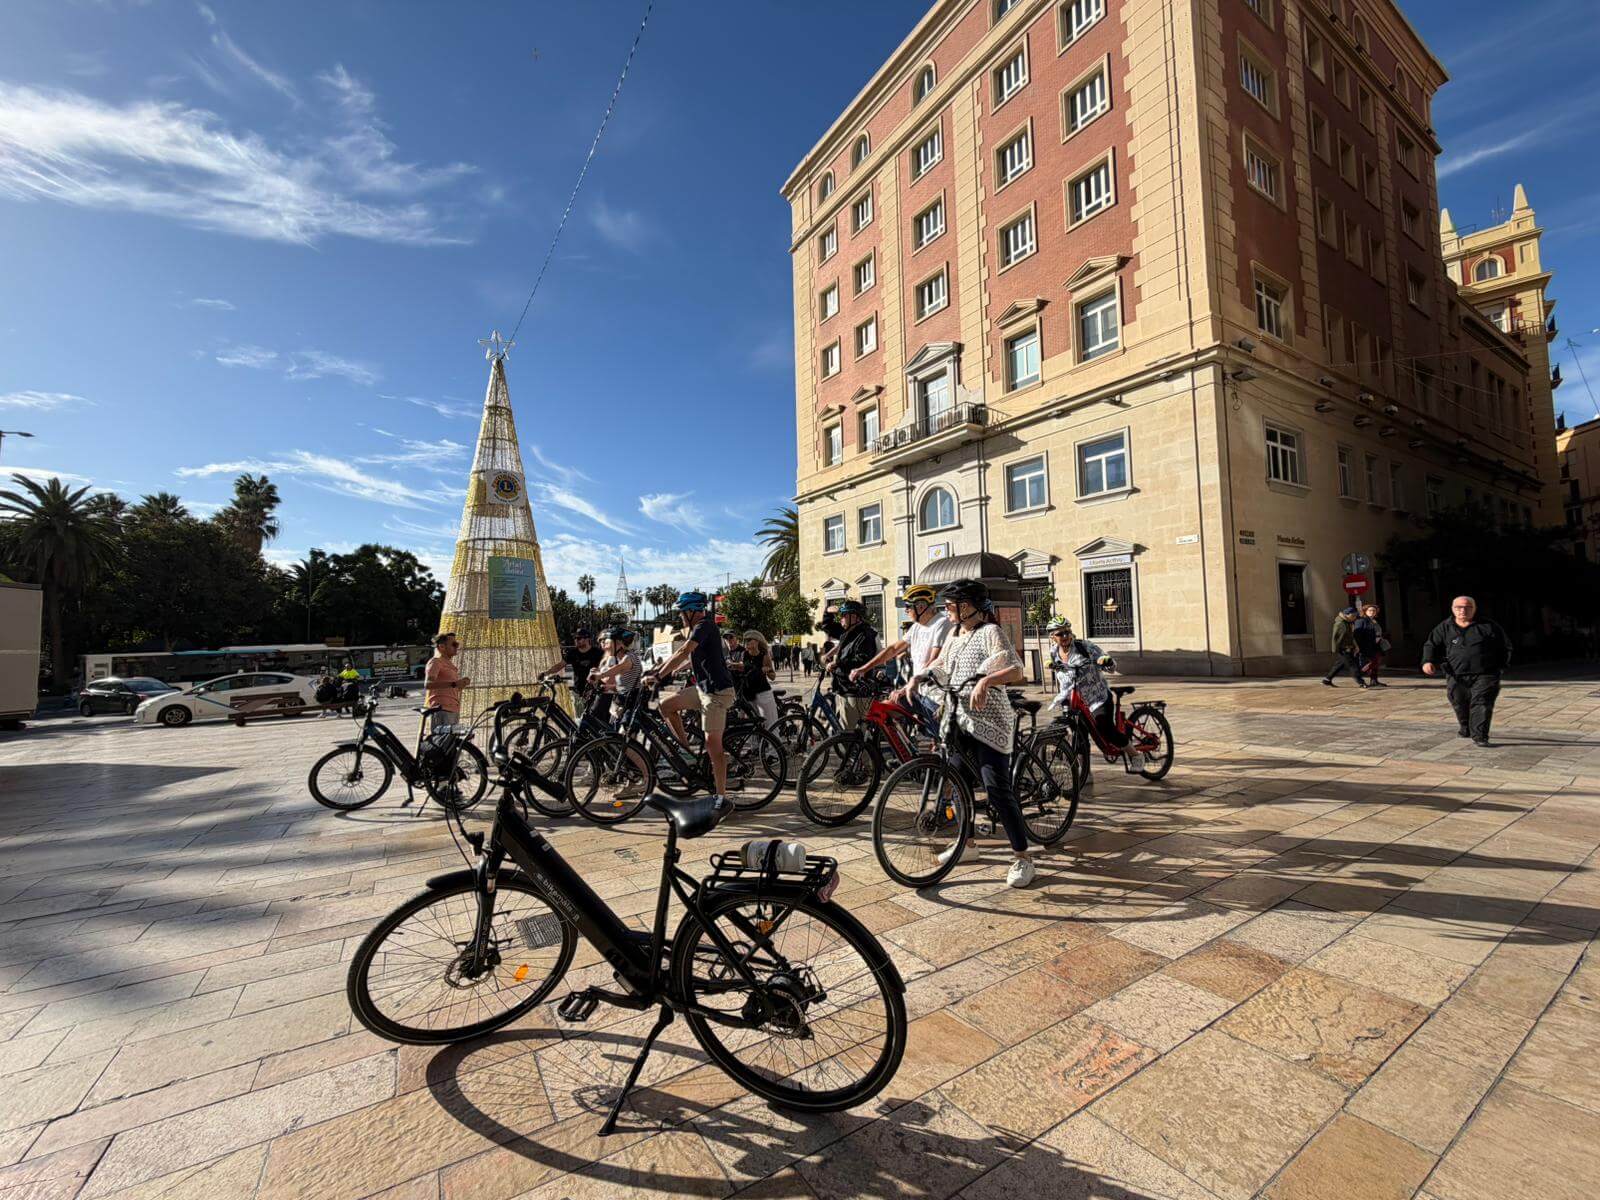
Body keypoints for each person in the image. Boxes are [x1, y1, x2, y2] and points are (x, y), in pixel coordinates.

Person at [908, 579, 1033, 888]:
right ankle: (967, 844)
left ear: (966, 606)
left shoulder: (990, 632)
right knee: (958, 784)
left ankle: (1022, 858)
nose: (946, 609)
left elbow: (1016, 669)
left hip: (990, 724)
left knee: (996, 789)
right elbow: (940, 665)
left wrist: (986, 681)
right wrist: (918, 678)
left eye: (950, 605)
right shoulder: (954, 635)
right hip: (960, 720)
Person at [646, 592, 736, 802]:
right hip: (703, 690)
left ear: (692, 611)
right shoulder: (698, 629)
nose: (680, 616)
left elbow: (684, 652)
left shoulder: (705, 625)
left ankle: (721, 798)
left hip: (717, 692)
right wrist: (658, 670)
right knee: (666, 705)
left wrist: (659, 676)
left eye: (681, 612)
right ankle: (686, 751)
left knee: (712, 745)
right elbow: (688, 657)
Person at [850, 584, 948, 734]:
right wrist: (864, 668)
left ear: (921, 606)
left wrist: (904, 688)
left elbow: (933, 661)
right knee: (883, 711)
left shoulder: (942, 624)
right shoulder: (917, 627)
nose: (906, 610)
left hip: (935, 695)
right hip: (918, 691)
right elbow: (893, 649)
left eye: (908, 606)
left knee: (943, 740)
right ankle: (904, 748)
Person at [1045, 616, 1127, 789]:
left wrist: (1106, 661)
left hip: (1096, 697)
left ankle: (1134, 754)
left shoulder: (1084, 647)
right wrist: (1051, 665)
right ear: (1052, 637)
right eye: (1060, 634)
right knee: (1079, 735)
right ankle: (1085, 772)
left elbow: (1110, 665)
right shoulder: (1053, 652)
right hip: (1072, 698)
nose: (1065, 636)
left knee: (1104, 726)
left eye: (1067, 632)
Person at [1422, 596, 1512, 746]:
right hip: (1456, 674)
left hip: (1485, 674)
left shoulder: (1488, 626)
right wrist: (1427, 661)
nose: (1463, 610)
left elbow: (1505, 646)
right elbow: (1431, 645)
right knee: (1459, 702)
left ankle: (1480, 736)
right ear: (1452, 609)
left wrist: (1500, 666)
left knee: (1482, 702)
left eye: (1467, 607)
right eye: (1458, 607)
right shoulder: (1444, 627)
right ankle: (1466, 727)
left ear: (1474, 609)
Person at [820, 599, 880, 730]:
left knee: (848, 733)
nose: (841, 619)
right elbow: (827, 627)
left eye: (844, 615)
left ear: (855, 617)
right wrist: (828, 612)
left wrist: (837, 663)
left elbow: (861, 660)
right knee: (845, 729)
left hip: (856, 691)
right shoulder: (848, 632)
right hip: (844, 687)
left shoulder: (865, 635)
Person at [587, 627, 643, 727]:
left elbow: (618, 668)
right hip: (622, 704)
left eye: (607, 641)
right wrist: (608, 687)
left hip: (631, 704)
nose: (603, 645)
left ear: (619, 643)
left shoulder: (629, 657)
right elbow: (623, 684)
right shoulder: (619, 657)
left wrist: (600, 675)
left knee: (623, 734)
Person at [424, 632, 471, 730]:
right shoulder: (436, 662)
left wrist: (461, 684)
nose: (457, 647)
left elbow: (451, 688)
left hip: (452, 708)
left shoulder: (450, 665)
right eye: (454, 644)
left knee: (452, 738)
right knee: (441, 738)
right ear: (442, 647)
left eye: (457, 644)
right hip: (441, 708)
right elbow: (428, 684)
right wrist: (454, 684)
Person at [540, 628, 603, 695]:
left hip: (595, 690)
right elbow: (560, 665)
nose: (576, 640)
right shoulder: (572, 653)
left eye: (579, 638)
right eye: (575, 638)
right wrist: (546, 673)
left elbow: (606, 668)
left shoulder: (598, 653)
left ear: (587, 639)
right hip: (578, 690)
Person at [736, 630, 779, 728]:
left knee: (770, 724)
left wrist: (767, 670)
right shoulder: (744, 655)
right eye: (745, 640)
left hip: (763, 694)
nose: (746, 642)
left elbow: (773, 677)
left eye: (749, 640)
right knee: (753, 726)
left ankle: (774, 738)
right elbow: (743, 667)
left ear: (756, 642)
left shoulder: (764, 656)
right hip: (749, 695)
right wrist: (734, 665)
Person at [1322, 607, 1368, 688]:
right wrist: (1336, 649)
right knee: (1353, 665)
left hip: (1349, 648)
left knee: (1340, 664)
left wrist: (1356, 646)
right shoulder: (1340, 624)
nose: (1354, 617)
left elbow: (1351, 636)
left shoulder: (1348, 622)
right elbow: (1335, 638)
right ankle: (1361, 682)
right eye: (1353, 616)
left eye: (1355, 616)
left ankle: (1327, 679)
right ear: (1347, 615)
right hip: (1344, 649)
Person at [1354, 603, 1389, 687]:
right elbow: (1357, 634)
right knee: (1372, 662)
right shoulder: (1361, 621)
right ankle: (1359, 674)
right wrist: (1359, 646)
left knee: (1376, 662)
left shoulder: (1374, 621)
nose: (1372, 612)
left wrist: (1378, 638)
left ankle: (1374, 681)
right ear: (1365, 611)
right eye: (1370, 610)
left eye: (1374, 611)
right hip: (1367, 645)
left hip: (1377, 645)